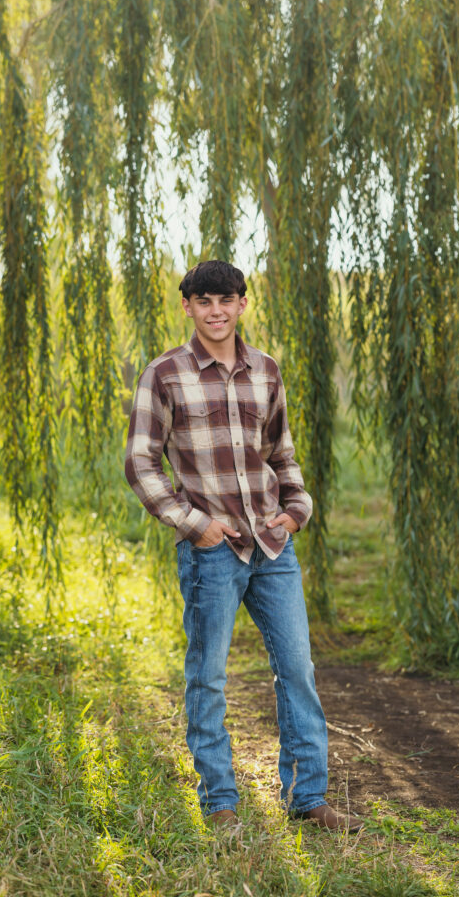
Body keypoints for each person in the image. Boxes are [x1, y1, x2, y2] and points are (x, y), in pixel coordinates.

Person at [124, 259, 362, 832]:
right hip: (212, 551)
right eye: (204, 301)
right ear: (188, 306)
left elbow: (281, 453)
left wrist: (296, 510)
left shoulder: (266, 370)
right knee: (208, 676)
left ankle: (308, 797)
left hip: (273, 546)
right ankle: (220, 803)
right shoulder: (165, 374)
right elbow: (140, 464)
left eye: (226, 300)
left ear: (242, 304)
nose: (216, 311)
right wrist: (192, 524)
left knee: (297, 670)